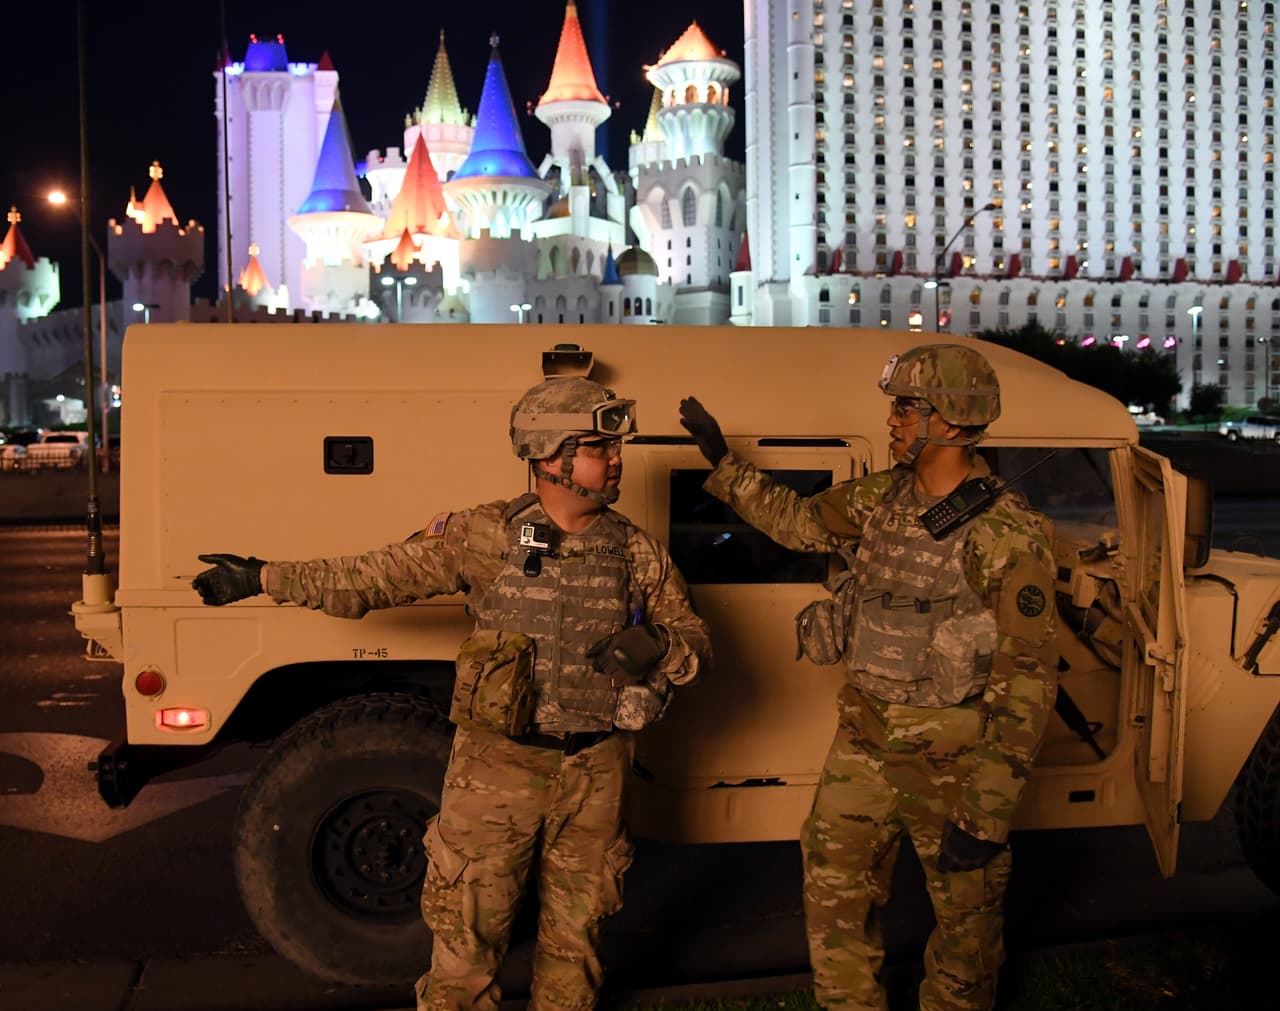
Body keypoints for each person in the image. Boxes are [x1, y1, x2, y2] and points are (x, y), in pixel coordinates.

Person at [193, 376, 711, 1011]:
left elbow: (695, 638)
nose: (616, 460)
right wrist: (263, 577)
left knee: (577, 947)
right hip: (498, 770)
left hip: (596, 772)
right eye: (600, 447)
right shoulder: (484, 535)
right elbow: (371, 577)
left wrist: (658, 653)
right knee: (467, 944)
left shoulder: (635, 552)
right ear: (550, 457)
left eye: (613, 448)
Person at [679, 344, 1056, 1011]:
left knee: (967, 931)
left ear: (952, 415)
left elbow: (1028, 679)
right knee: (833, 894)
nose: (893, 421)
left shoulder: (1007, 534)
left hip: (954, 759)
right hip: (865, 739)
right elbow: (798, 524)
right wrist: (722, 461)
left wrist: (987, 810)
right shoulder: (880, 498)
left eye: (907, 407)